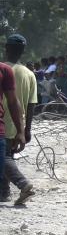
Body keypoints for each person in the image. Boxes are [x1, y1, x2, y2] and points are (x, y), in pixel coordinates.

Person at [2, 34, 34, 205]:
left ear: (6, 48)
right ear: (23, 51)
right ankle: (4, 192)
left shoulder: (1, 69)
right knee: (8, 157)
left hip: (3, 123)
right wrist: (26, 130)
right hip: (17, 126)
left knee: (4, 158)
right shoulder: (29, 74)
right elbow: (31, 105)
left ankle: (23, 184)